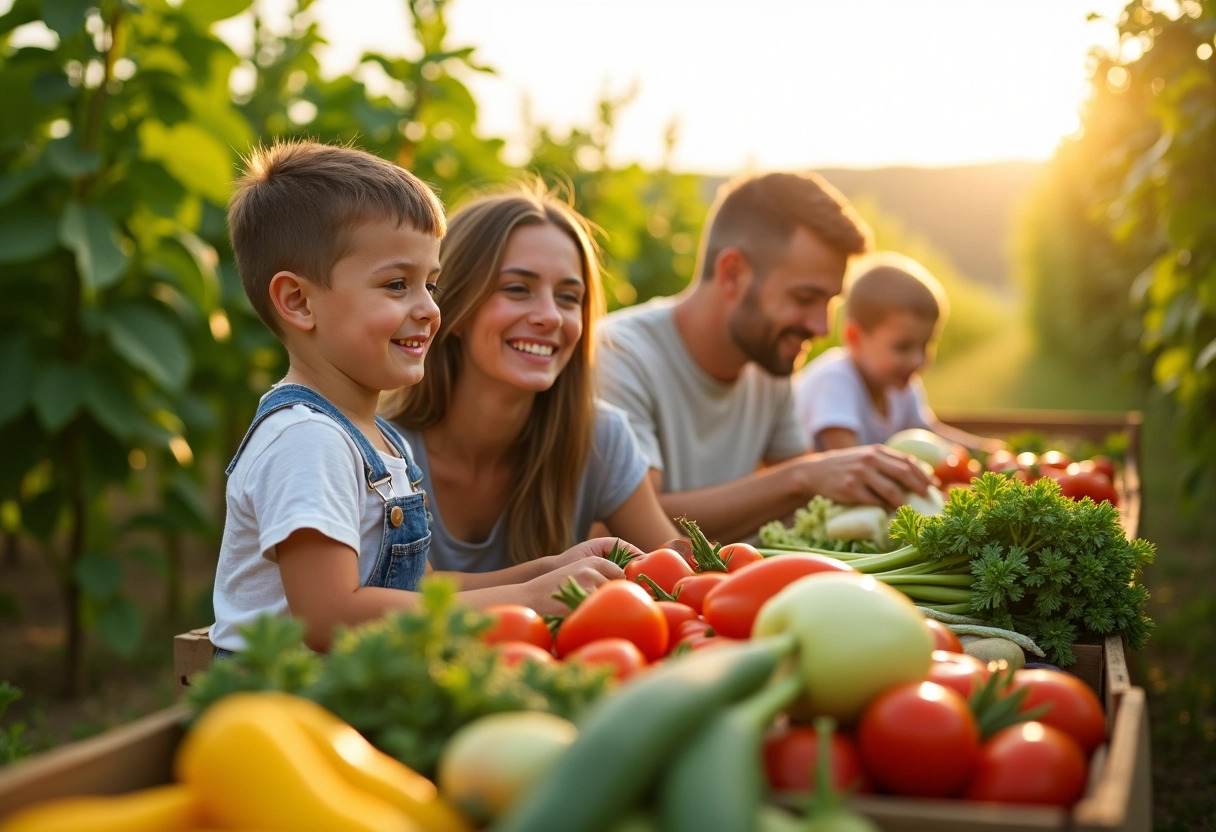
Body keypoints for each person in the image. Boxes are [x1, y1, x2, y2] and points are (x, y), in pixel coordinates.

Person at [210, 141, 627, 654]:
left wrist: (548, 570)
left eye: (431, 283)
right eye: (396, 284)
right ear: (298, 301)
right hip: (282, 712)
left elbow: (417, 593)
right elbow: (327, 617)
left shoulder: (379, 441)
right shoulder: (306, 442)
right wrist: (526, 598)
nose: (430, 308)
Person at [595, 171, 933, 544]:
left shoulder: (770, 362)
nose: (821, 327)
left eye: (829, 302)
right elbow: (627, 522)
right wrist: (803, 476)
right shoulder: (619, 356)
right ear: (733, 274)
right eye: (805, 299)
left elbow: (803, 509)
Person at [382, 187, 680, 572]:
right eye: (518, 289)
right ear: (453, 307)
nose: (551, 316)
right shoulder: (381, 454)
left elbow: (674, 576)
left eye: (569, 297)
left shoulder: (600, 438)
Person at [794, 252, 1001, 452]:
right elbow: (847, 463)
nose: (917, 360)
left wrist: (983, 450)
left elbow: (928, 433)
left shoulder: (899, 385)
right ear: (855, 337)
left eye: (926, 344)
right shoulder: (835, 382)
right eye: (903, 347)